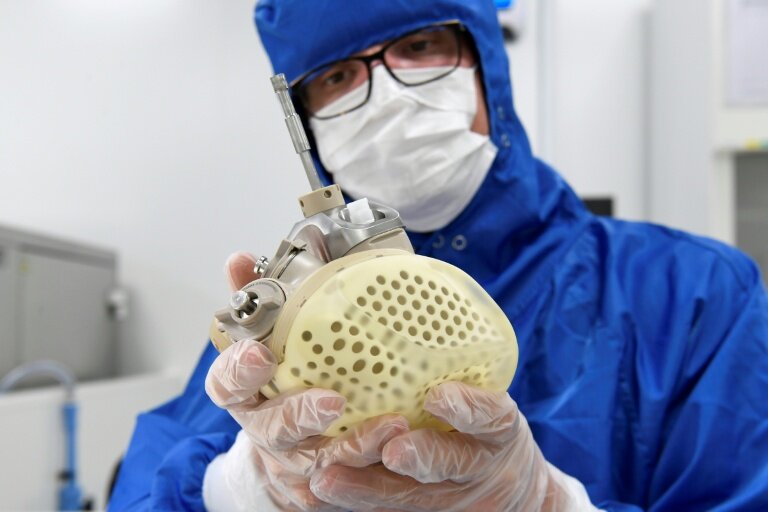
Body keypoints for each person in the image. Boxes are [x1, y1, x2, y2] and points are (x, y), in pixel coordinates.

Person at [109, 0, 768, 510]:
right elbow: (145, 482)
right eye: (338, 76)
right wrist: (242, 487)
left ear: (486, 60)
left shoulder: (695, 298)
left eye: (420, 46)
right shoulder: (291, 323)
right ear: (307, 126)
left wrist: (544, 502)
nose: (388, 97)